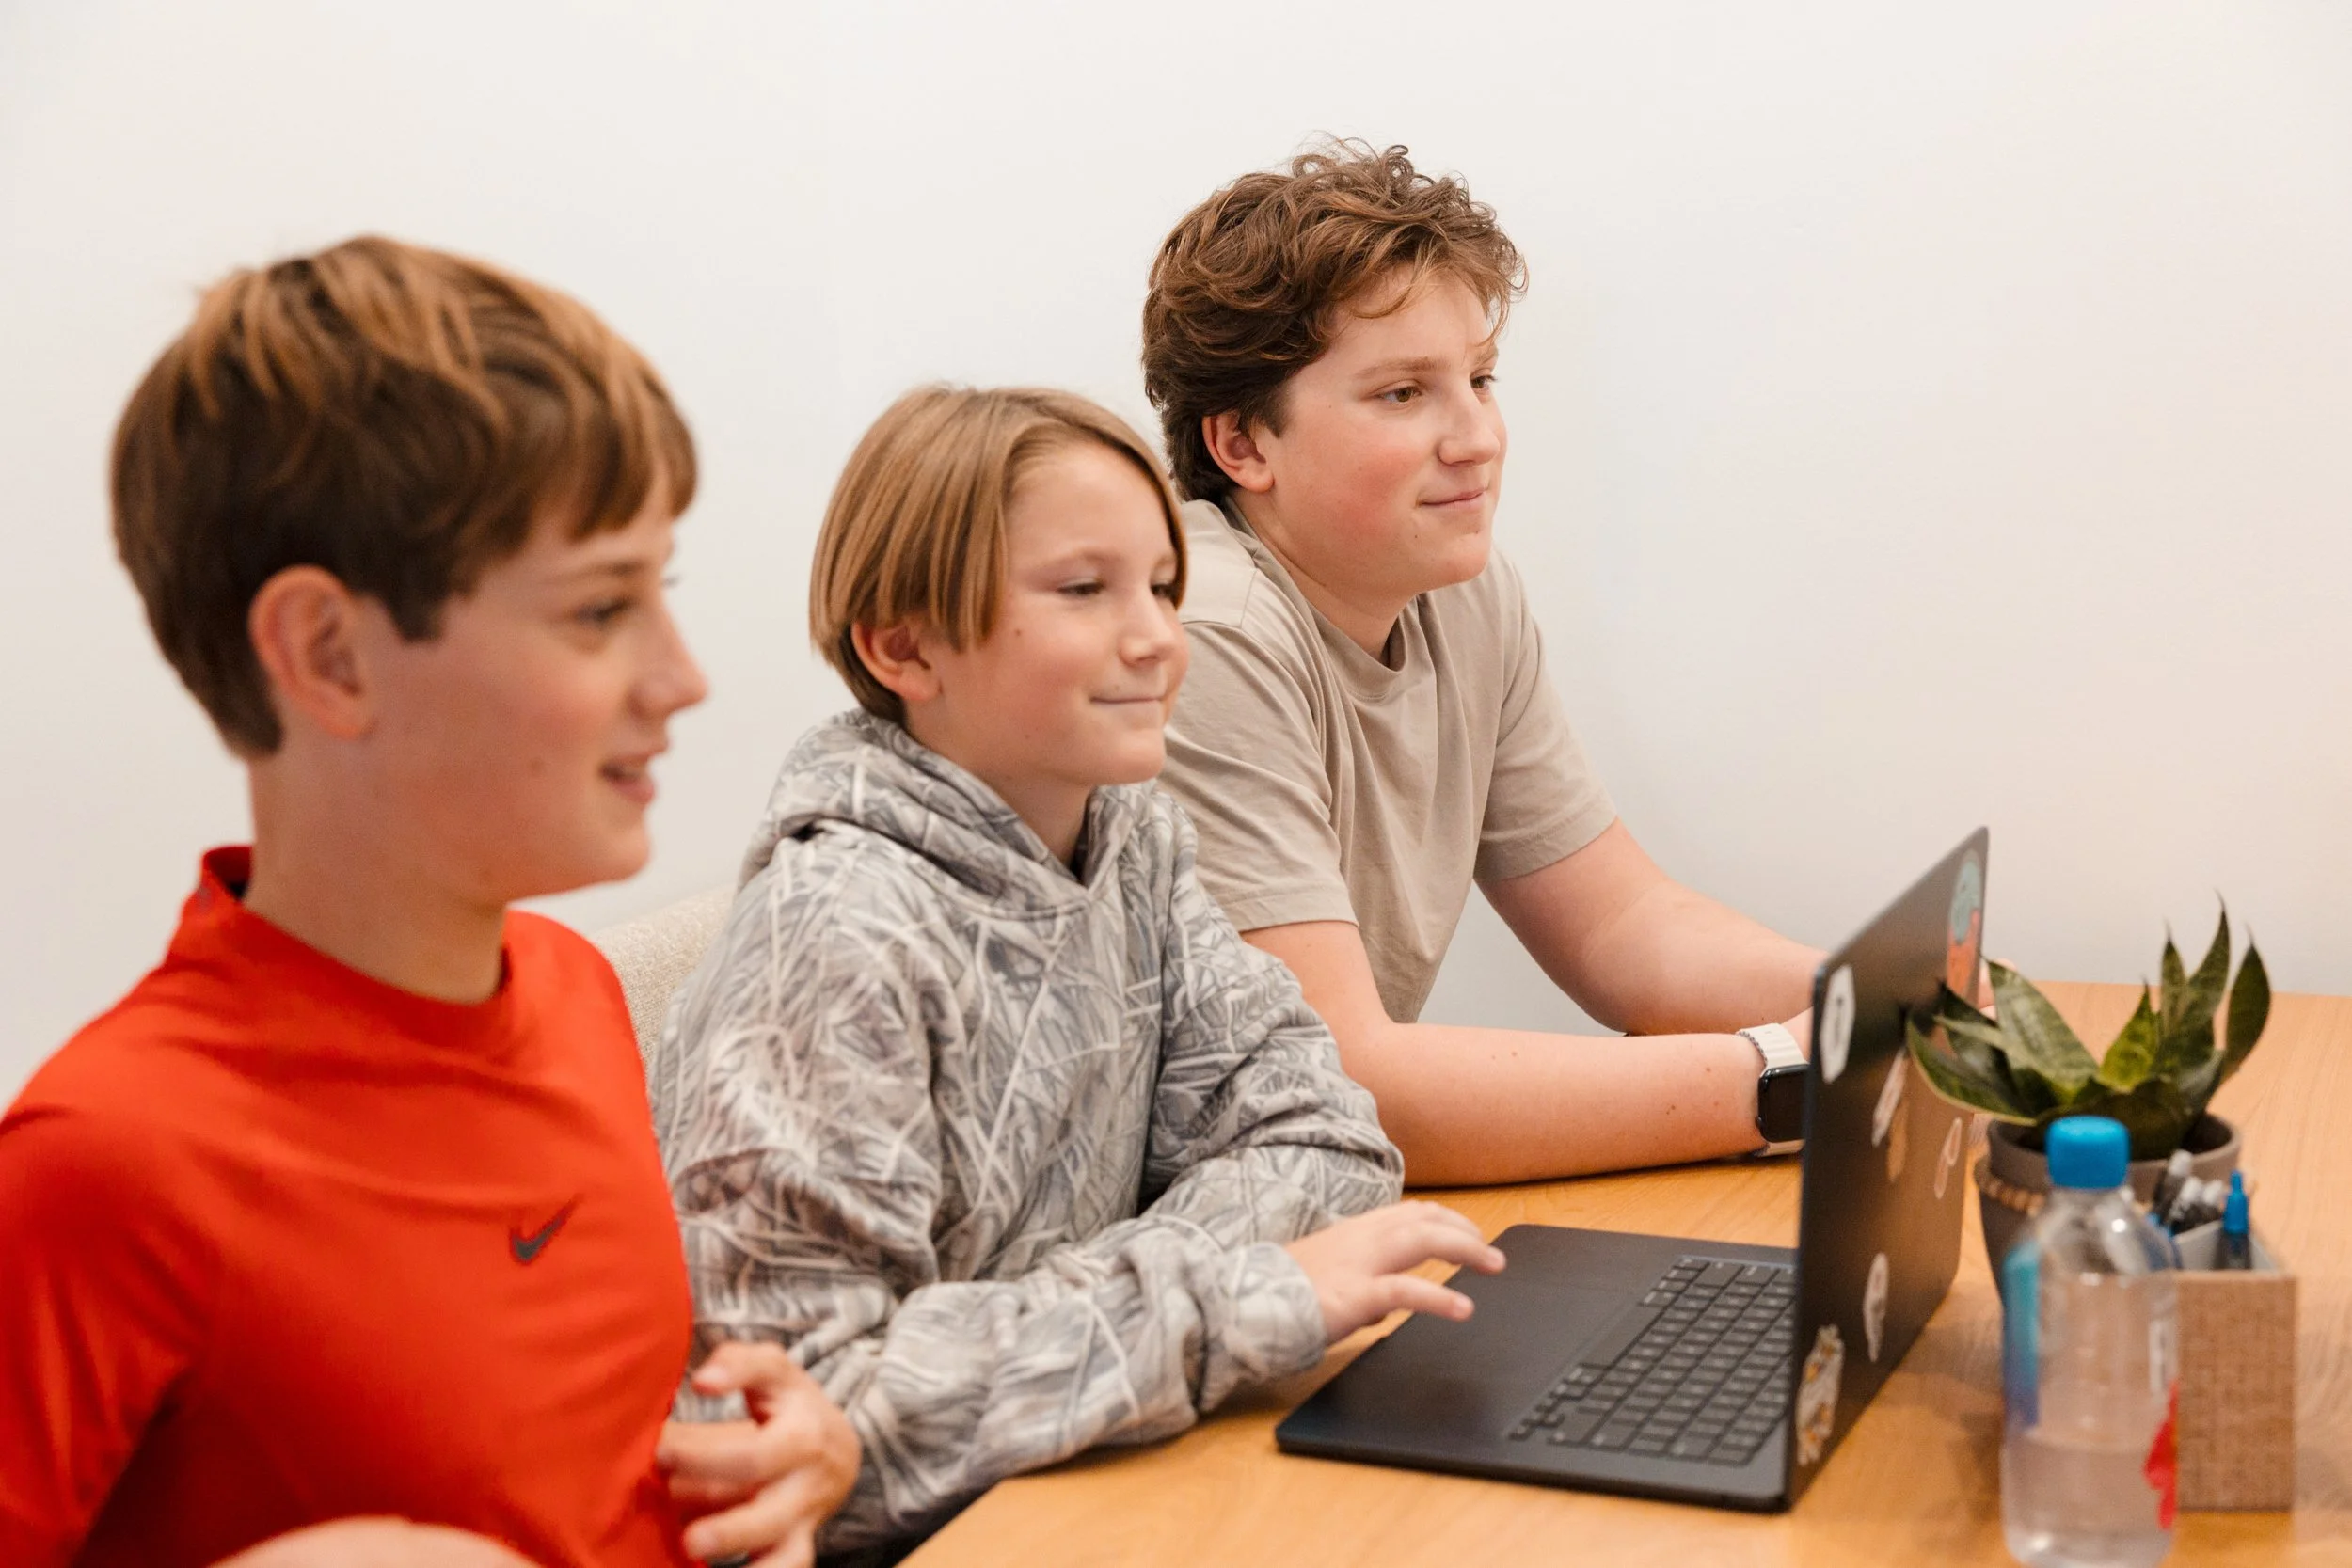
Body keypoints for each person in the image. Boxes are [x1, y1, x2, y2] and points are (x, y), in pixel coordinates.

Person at [0, 238, 856, 1568]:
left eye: (660, 592)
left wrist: (792, 1453)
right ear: (330, 655)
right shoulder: (101, 1168)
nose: (682, 677)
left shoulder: (574, 988)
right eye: (597, 610)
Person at [645, 385, 1503, 1555]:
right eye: (1082, 589)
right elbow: (797, 1425)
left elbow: (1326, 1138)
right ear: (904, 645)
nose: (1155, 636)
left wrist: (1087, 1318)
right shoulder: (833, 937)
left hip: (1091, 1480)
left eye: (1160, 584)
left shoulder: (1131, 838)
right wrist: (1235, 1300)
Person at [1141, 142, 1822, 1187]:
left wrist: (1871, 1004)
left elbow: (1621, 925)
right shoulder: (1210, 628)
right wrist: (1782, 1077)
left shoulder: (1459, 588)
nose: (1477, 437)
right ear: (1241, 445)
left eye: (1480, 376)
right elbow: (1341, 1080)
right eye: (1403, 393)